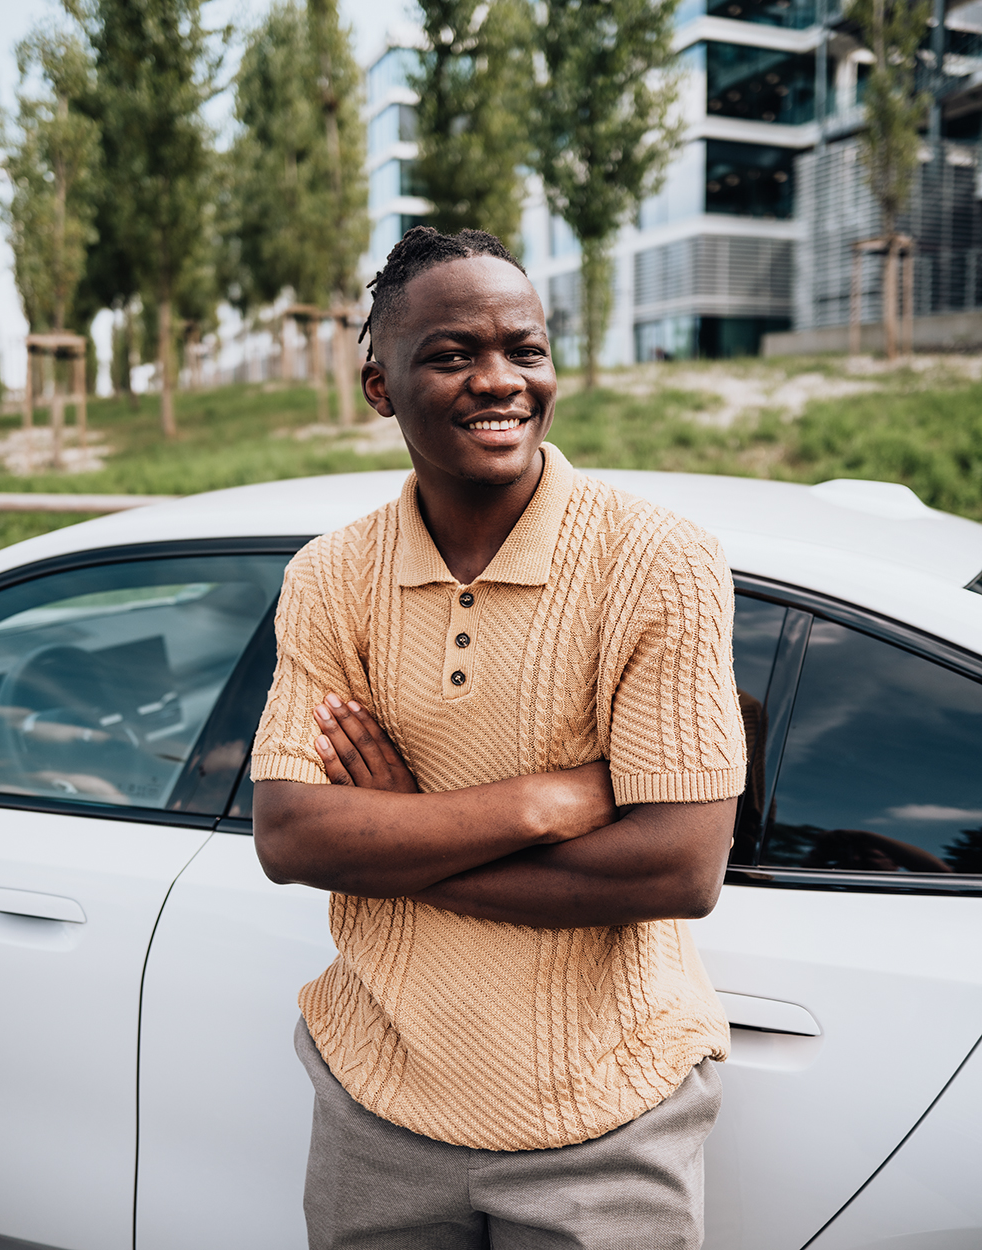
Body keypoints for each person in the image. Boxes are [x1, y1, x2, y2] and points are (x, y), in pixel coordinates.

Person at [251, 226, 747, 1250]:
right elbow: (292, 836)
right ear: (379, 386)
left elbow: (677, 865)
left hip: (606, 1116)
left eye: (524, 349)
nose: (498, 380)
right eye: (450, 354)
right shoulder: (329, 577)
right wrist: (533, 803)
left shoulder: (659, 561)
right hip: (373, 1104)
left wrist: (398, 835)